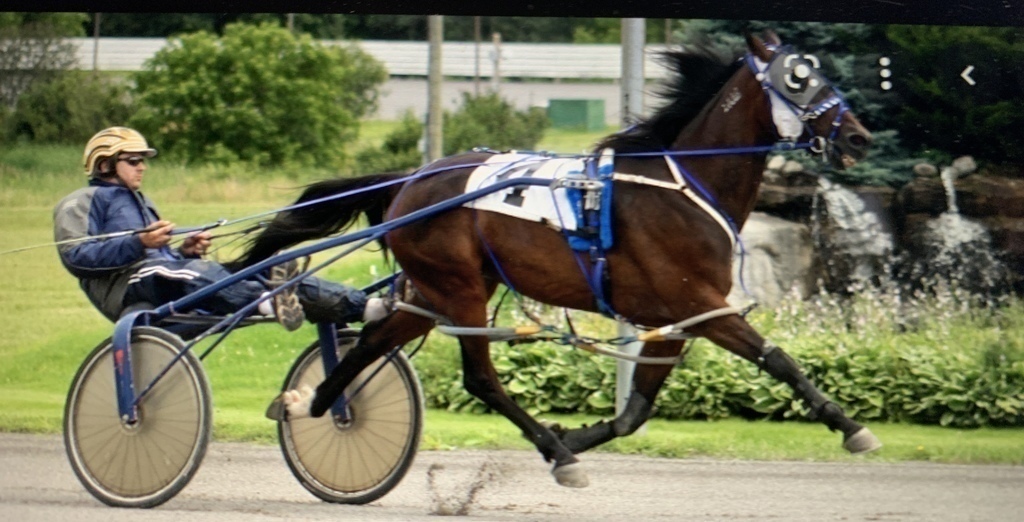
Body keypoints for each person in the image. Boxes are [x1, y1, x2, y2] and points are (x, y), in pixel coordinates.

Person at [53, 126, 382, 330]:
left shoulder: (141, 200)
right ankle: (269, 301)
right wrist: (140, 243)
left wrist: (184, 250)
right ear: (105, 163)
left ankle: (365, 307)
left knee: (253, 269)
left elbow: (161, 258)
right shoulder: (82, 201)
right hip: (126, 289)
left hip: (162, 274)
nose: (143, 166)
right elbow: (76, 257)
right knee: (187, 272)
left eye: (143, 160)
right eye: (134, 160)